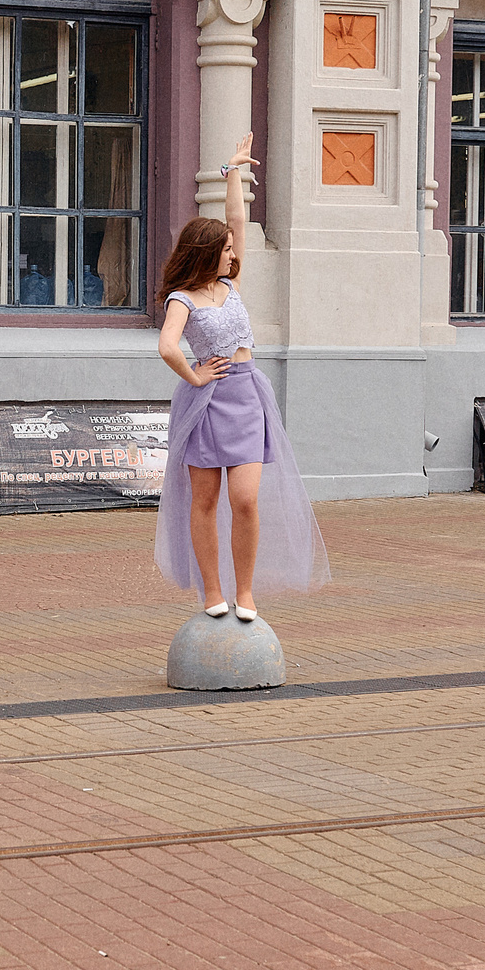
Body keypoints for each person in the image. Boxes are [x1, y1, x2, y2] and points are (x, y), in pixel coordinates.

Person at [154, 133, 330, 620]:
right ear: (203, 251)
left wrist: (233, 173)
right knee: (205, 501)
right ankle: (212, 590)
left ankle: (246, 591)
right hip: (207, 403)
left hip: (248, 395)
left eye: (233, 248)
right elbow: (167, 345)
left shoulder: (230, 284)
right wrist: (194, 377)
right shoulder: (182, 299)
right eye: (225, 249)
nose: (233, 253)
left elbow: (237, 220)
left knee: (246, 499)